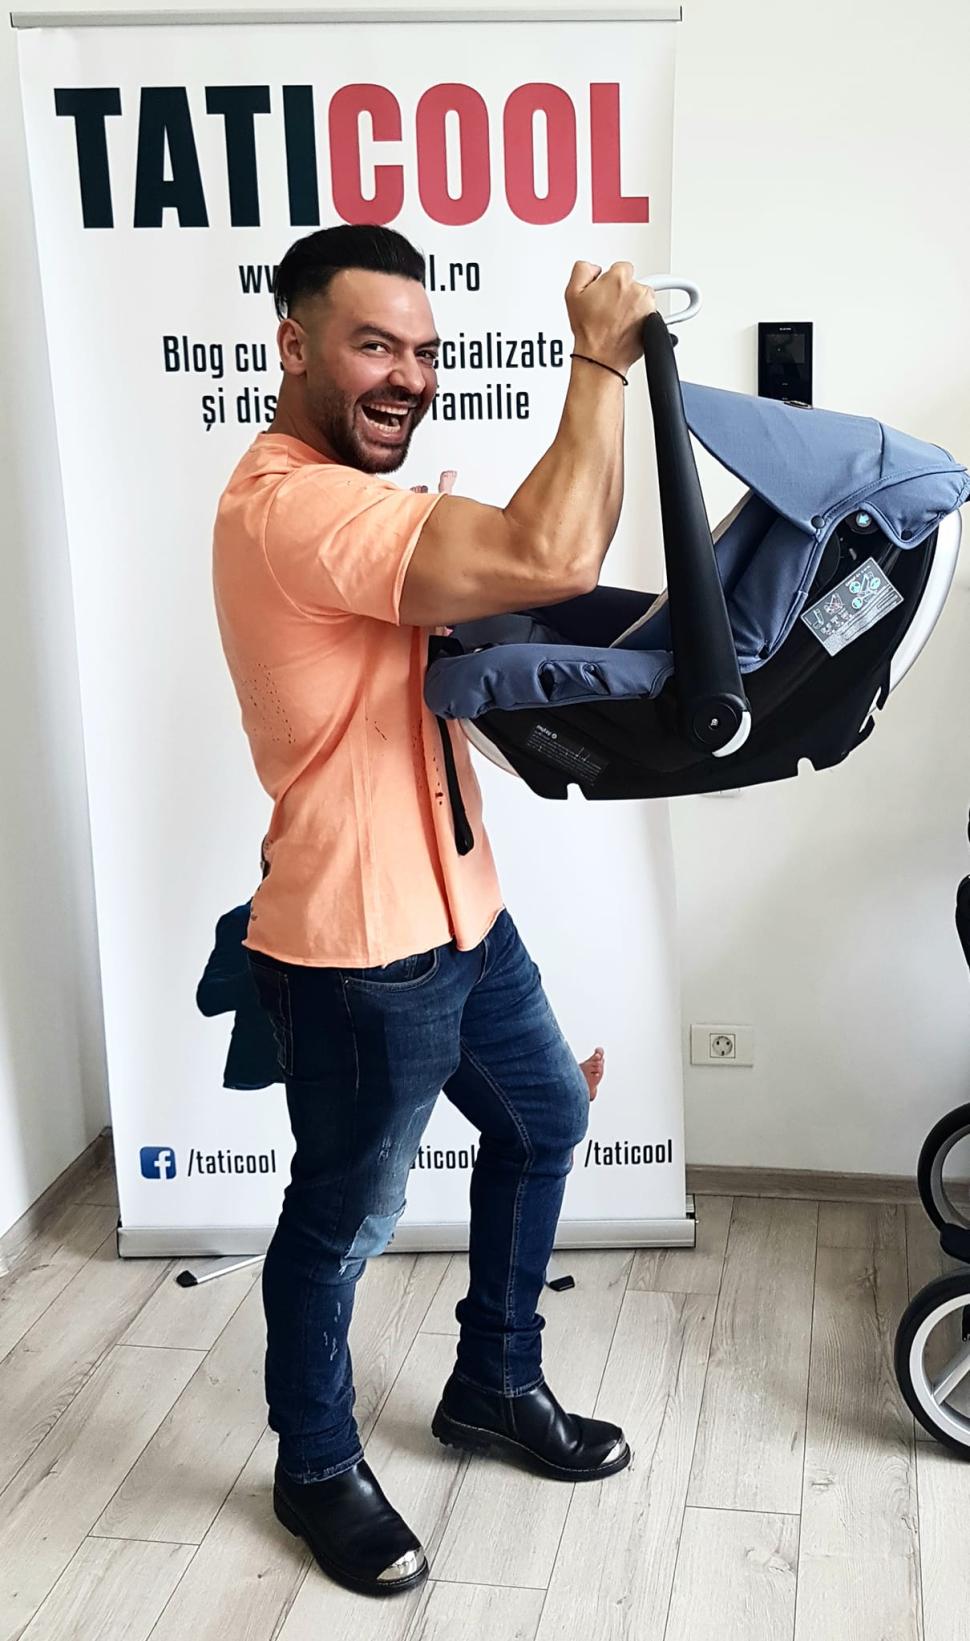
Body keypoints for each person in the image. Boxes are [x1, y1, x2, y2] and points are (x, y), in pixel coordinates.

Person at [211, 224, 656, 1599]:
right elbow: (550, 547)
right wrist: (599, 361)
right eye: (372, 345)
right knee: (342, 1220)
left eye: (422, 349)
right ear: (294, 346)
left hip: (463, 913)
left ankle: (492, 1385)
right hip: (360, 952)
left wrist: (606, 392)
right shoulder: (296, 510)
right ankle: (314, 1466)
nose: (407, 374)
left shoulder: (358, 498)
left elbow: (564, 552)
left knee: (544, 1119)